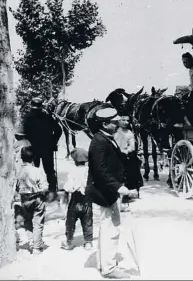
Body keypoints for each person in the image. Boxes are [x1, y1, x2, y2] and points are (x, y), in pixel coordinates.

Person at [85, 107, 132, 279]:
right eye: (114, 122)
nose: (118, 123)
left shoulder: (106, 138)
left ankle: (103, 262)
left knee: (106, 228)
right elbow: (100, 171)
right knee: (111, 230)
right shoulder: (99, 142)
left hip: (108, 191)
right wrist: (118, 187)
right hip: (106, 192)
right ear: (105, 124)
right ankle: (109, 268)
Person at [23, 97, 63, 197]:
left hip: (33, 149)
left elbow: (23, 133)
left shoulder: (27, 118)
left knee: (32, 169)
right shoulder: (48, 117)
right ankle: (52, 191)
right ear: (41, 106)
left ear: (31, 106)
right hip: (47, 148)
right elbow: (59, 130)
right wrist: (53, 142)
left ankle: (34, 191)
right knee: (49, 170)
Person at [15, 146, 49, 254]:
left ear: (21, 157)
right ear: (34, 158)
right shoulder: (38, 171)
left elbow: (16, 187)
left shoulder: (18, 172)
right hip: (37, 198)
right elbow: (45, 187)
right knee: (38, 222)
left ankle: (31, 241)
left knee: (27, 220)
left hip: (24, 200)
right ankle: (36, 247)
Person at [61, 148, 93, 251]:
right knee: (87, 221)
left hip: (75, 199)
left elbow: (69, 186)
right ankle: (88, 242)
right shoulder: (89, 171)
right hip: (87, 199)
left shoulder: (72, 171)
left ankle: (69, 241)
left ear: (74, 160)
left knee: (70, 221)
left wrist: (68, 189)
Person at [114, 115, 143, 211]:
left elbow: (132, 147)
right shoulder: (114, 131)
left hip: (125, 157)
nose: (125, 122)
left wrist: (124, 151)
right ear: (118, 121)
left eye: (127, 121)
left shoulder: (129, 133)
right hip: (114, 156)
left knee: (125, 177)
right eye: (123, 120)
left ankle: (124, 200)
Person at [181, 52, 193, 126]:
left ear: (191, 60)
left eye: (186, 62)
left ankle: (190, 122)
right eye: (183, 63)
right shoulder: (191, 70)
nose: (185, 64)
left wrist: (188, 89)